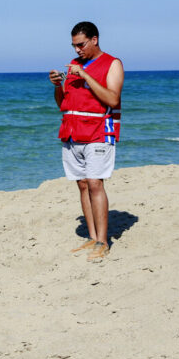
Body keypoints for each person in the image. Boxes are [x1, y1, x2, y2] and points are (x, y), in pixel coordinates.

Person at [49, 22, 124, 261]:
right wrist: (58, 85)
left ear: (94, 39)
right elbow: (63, 104)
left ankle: (103, 241)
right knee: (82, 184)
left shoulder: (112, 63)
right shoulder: (73, 66)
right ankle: (92, 238)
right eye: (74, 45)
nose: (77, 50)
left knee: (94, 183)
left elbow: (112, 99)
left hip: (99, 130)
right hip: (72, 132)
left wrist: (85, 75)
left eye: (81, 44)